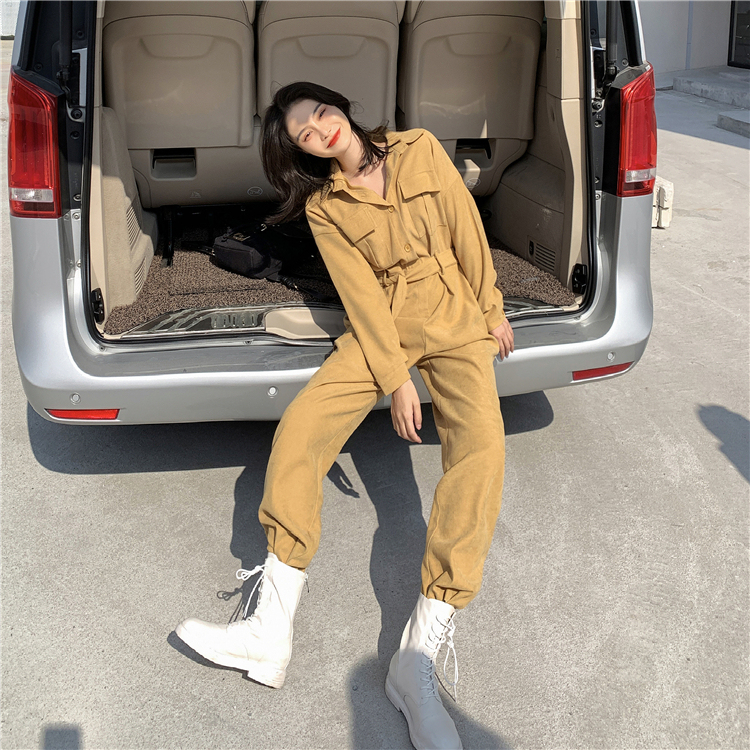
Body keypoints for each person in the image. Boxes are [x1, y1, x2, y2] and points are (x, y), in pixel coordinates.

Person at [176, 81, 514, 750]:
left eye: (320, 113)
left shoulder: (420, 149)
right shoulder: (325, 207)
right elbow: (360, 295)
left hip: (453, 307)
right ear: (302, 152)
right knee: (303, 429)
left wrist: (491, 306)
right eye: (303, 134)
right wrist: (396, 380)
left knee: (482, 452)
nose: (319, 130)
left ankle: (415, 659)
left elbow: (467, 232)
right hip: (383, 321)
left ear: (341, 108)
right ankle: (269, 629)